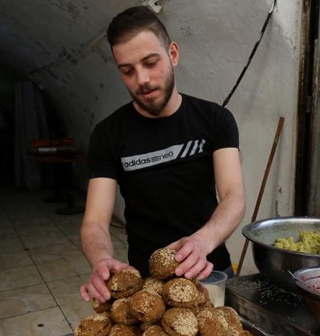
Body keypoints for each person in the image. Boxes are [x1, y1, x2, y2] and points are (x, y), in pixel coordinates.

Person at [78, 6, 246, 303]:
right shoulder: (108, 135)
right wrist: (101, 259)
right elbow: (95, 222)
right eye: (127, 71)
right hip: (146, 288)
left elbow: (234, 195)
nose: (141, 79)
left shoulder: (214, 119)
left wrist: (201, 241)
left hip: (210, 273)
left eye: (150, 62)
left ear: (173, 54)